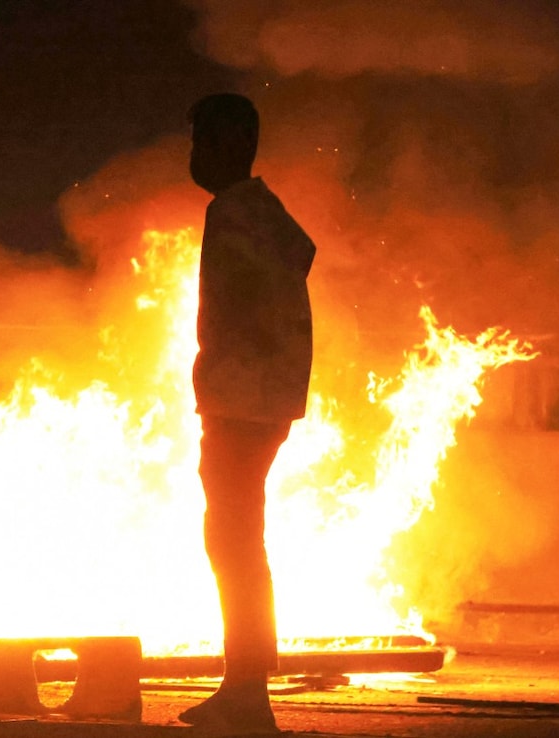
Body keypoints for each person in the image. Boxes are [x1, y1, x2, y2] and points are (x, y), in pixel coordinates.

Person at [179, 93, 316, 734]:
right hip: (261, 398)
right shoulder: (263, 211)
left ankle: (247, 693)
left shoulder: (236, 213)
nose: (195, 156)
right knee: (237, 540)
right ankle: (246, 683)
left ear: (229, 145)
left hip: (242, 400)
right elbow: (302, 253)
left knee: (231, 540)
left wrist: (231, 365)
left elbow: (250, 300)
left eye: (202, 142)